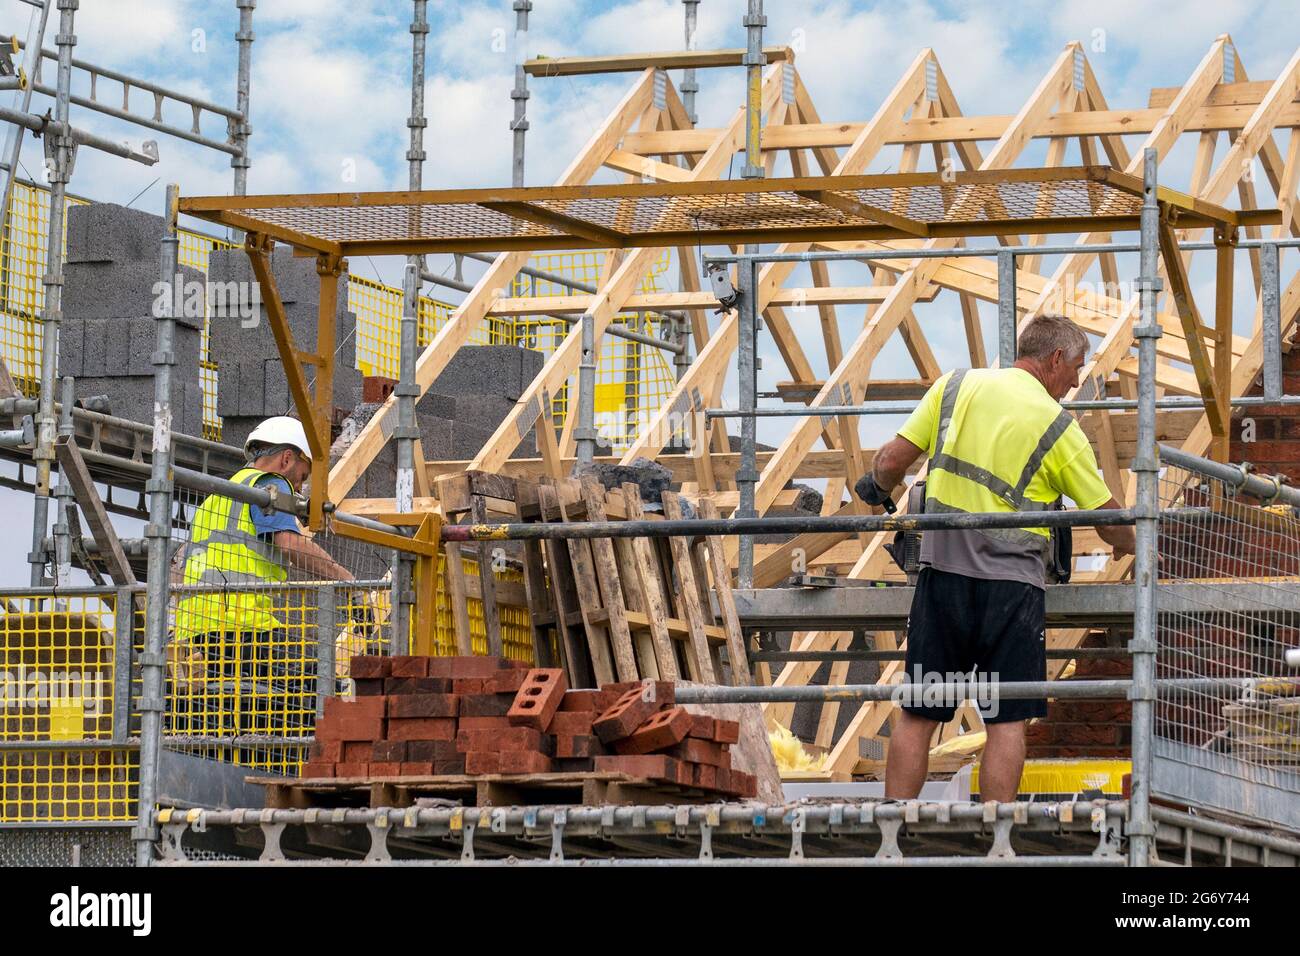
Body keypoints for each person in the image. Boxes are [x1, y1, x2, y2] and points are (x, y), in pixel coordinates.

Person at [854, 314, 1135, 804]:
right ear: (1054, 360)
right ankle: (995, 843)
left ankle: (892, 831)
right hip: (1012, 591)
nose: (1075, 382)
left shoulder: (955, 387)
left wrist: (876, 488)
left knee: (920, 710)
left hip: (943, 579)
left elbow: (889, 462)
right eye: (1076, 369)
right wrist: (1138, 540)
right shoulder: (1057, 426)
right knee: (1006, 718)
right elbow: (1109, 520)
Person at [172, 416, 357, 750]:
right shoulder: (271, 485)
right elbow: (290, 544)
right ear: (287, 459)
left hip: (196, 633)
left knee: (263, 699)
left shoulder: (218, 497)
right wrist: (349, 581)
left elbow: (180, 565)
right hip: (240, 627)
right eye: (303, 475)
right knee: (322, 680)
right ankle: (308, 760)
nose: (300, 488)